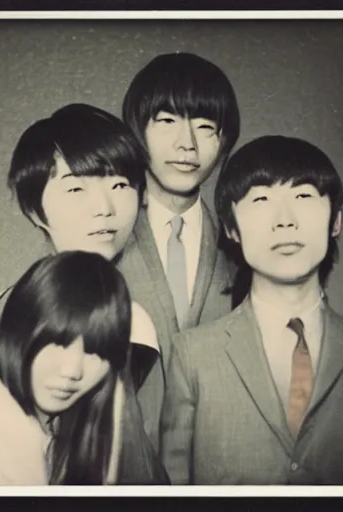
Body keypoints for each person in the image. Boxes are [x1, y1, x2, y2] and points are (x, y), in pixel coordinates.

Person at [0, 104, 168, 484]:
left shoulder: (137, 325)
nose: (104, 209)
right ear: (35, 210)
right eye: (76, 187)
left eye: (120, 185)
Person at [160, 135, 343, 485]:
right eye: (260, 198)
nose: (284, 220)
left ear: (336, 221)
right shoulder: (193, 354)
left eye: (303, 195)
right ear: (232, 228)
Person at [117, 52, 240, 449]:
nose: (185, 143)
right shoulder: (102, 236)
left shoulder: (244, 245)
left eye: (205, 126)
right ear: (137, 130)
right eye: (166, 121)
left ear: (223, 144)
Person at [0, 252, 131, 485]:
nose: (72, 370)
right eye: (59, 343)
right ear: (19, 334)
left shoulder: (58, 440)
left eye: (95, 350)